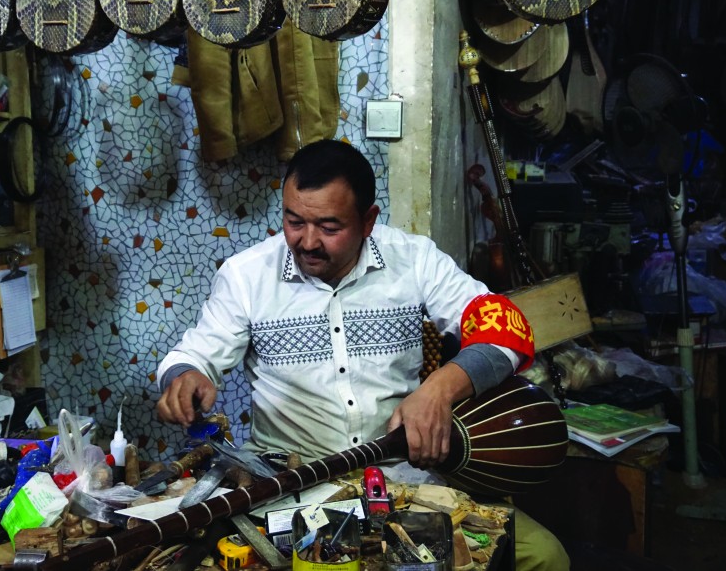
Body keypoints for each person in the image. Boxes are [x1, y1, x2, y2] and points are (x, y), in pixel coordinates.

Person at [156, 139, 569, 571]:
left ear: (368, 220)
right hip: (289, 485)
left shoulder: (414, 259)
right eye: (294, 221)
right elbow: (193, 356)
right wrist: (185, 376)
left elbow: (506, 328)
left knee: (545, 558)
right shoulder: (246, 276)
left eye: (329, 227)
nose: (307, 241)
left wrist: (438, 390)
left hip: (402, 481)